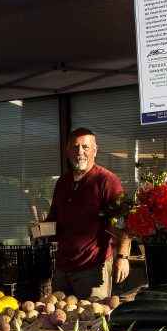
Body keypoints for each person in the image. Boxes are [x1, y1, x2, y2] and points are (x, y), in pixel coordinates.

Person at [36, 128, 130, 300]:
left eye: (85, 147)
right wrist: (40, 228)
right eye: (75, 147)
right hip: (62, 269)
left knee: (93, 321)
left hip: (93, 267)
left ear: (95, 150)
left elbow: (122, 221)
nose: (80, 152)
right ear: (67, 150)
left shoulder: (107, 180)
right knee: (59, 321)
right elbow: (54, 219)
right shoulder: (62, 182)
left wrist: (123, 256)